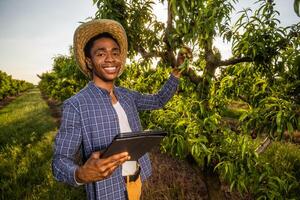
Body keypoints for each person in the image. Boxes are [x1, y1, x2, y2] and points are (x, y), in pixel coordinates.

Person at [52, 19, 188, 200]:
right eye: (101, 54)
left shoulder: (127, 95)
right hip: (108, 192)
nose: (110, 58)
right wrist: (80, 174)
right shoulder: (77, 105)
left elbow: (158, 100)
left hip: (136, 182)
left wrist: (177, 72)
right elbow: (59, 161)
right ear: (89, 61)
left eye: (115, 52)